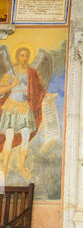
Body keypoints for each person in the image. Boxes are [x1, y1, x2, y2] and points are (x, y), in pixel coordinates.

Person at [0, 47, 46, 178]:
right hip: (11, 108)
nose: (24, 58)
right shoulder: (11, 72)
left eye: (26, 56)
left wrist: (46, 96)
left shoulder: (32, 72)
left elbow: (40, 89)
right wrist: (12, 85)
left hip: (25, 108)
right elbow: (1, 90)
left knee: (25, 137)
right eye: (22, 55)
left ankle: (21, 167)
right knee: (9, 138)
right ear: (17, 57)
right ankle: (4, 168)